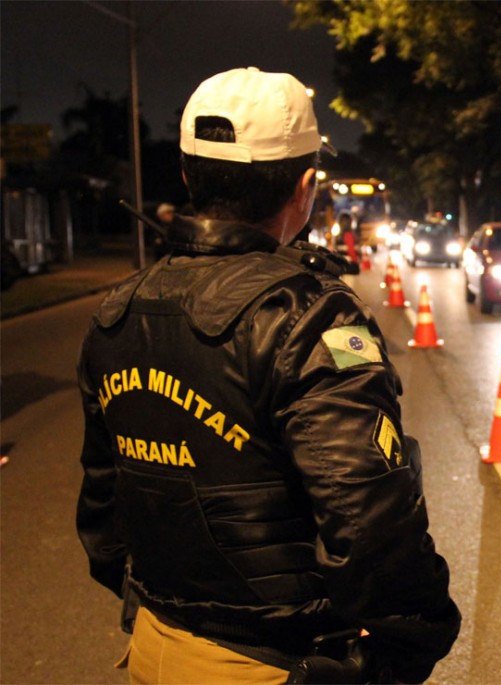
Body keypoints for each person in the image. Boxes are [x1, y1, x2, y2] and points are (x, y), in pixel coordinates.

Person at [76, 67, 460, 684]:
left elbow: (103, 509)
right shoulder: (312, 317)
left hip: (153, 650)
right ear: (305, 188)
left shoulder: (118, 311)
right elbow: (366, 513)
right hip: (273, 663)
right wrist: (414, 637)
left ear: (186, 174)